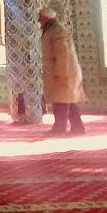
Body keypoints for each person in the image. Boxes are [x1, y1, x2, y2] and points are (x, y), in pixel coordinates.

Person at [39, 7, 86, 136]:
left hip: (65, 71)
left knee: (61, 101)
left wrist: (60, 73)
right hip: (64, 71)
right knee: (68, 100)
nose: (38, 20)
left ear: (46, 17)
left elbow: (63, 54)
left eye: (40, 17)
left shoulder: (57, 31)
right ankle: (78, 128)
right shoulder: (52, 30)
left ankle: (59, 129)